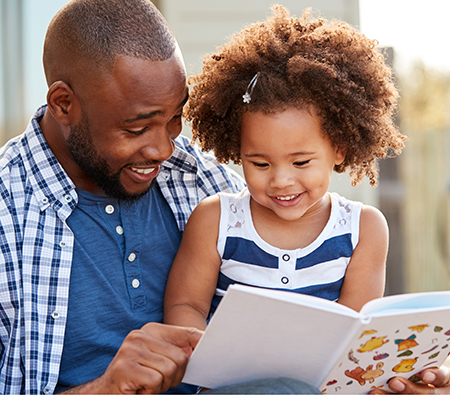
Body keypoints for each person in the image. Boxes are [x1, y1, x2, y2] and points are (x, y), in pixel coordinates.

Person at [0, 0, 323, 395]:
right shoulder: (8, 211)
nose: (164, 150)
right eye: (137, 128)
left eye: (173, 119)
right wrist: (105, 390)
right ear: (64, 104)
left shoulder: (202, 180)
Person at [164, 5, 405, 330]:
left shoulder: (363, 230)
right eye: (260, 163)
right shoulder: (216, 222)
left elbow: (353, 332)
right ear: (239, 151)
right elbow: (186, 305)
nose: (280, 180)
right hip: (229, 381)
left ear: (340, 148)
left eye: (301, 162)